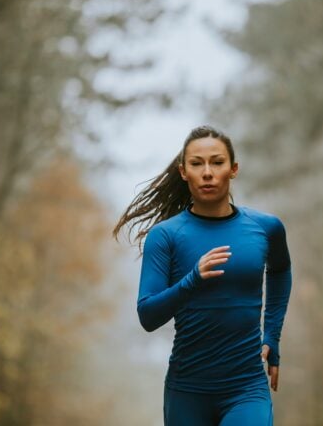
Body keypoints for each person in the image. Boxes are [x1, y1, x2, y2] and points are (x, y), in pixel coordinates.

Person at [113, 125, 292, 425]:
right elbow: (147, 315)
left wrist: (271, 335)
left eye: (217, 162)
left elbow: (280, 270)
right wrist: (191, 281)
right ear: (184, 172)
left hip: (246, 387)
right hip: (187, 391)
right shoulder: (166, 236)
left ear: (233, 169)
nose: (207, 172)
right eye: (197, 163)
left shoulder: (266, 228)